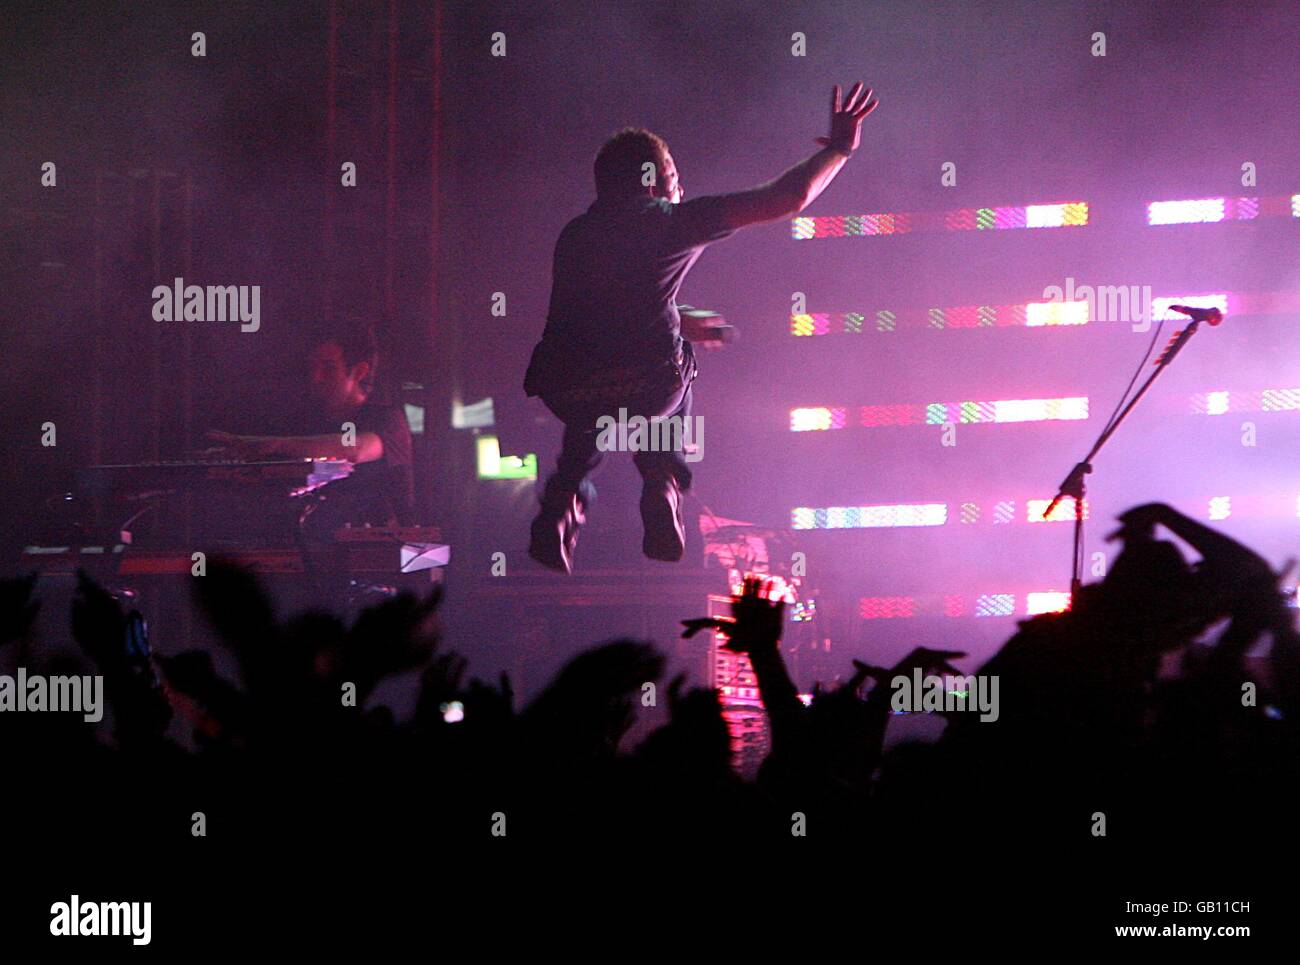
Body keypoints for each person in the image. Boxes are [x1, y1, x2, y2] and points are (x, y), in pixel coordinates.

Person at [524, 82, 880, 574]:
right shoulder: (669, 220)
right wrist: (841, 148)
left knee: (598, 386)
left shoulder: (575, 233)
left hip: (567, 393)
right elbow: (786, 198)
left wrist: (675, 314)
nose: (680, 186)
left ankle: (562, 501)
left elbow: (606, 309)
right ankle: (663, 479)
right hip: (649, 386)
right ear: (651, 179)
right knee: (671, 370)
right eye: (673, 174)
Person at [207, 325, 415, 536]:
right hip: (309, 548)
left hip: (378, 554)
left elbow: (353, 449)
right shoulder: (305, 421)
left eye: (328, 368)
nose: (315, 377)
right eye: (312, 367)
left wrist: (274, 445)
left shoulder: (387, 420)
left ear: (360, 372)